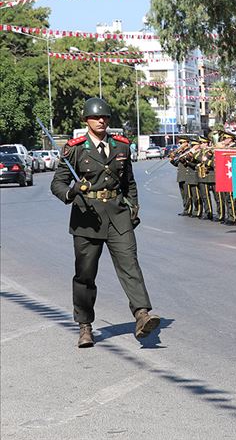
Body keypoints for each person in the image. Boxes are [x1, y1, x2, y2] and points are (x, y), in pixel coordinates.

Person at [50, 97, 160, 348]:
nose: (101, 121)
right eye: (96, 117)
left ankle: (142, 315)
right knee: (85, 275)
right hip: (87, 217)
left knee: (130, 264)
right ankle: (85, 325)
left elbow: (128, 182)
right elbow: (57, 183)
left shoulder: (121, 146)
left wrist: (134, 206)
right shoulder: (74, 148)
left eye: (105, 118)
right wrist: (72, 191)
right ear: (86, 120)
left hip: (118, 215)